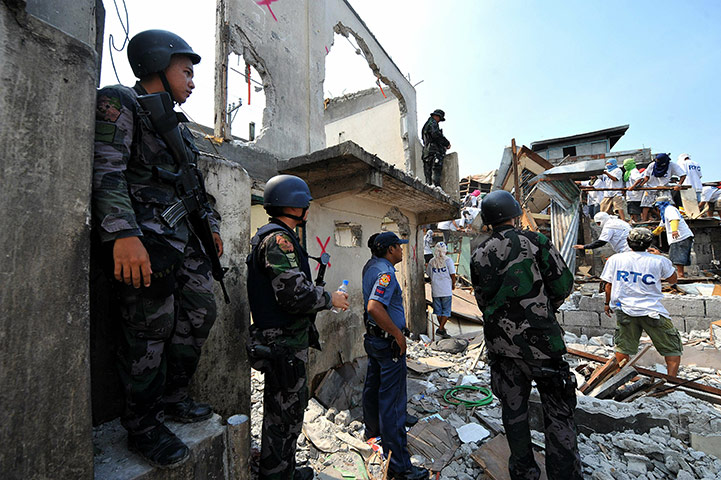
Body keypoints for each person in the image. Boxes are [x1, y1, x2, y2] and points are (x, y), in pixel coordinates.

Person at [93, 29, 224, 467]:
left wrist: (214, 226)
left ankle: (173, 395)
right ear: (156, 63)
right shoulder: (120, 102)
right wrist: (122, 234)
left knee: (202, 309)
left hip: (184, 240)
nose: (192, 80)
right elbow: (108, 169)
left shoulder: (181, 131)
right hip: (144, 240)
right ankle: (143, 425)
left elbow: (198, 190)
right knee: (149, 328)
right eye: (185, 71)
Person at [470, 190, 582, 480]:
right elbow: (563, 284)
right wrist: (543, 308)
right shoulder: (536, 241)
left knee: (514, 413)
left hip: (502, 346)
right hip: (543, 343)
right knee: (558, 412)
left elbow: (483, 300)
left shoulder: (479, 252)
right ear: (516, 213)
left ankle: (524, 473)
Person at [247, 174, 349, 480]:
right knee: (283, 415)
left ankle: (282, 470)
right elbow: (294, 296)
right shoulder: (278, 240)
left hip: (285, 342)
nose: (308, 209)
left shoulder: (280, 237)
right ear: (295, 206)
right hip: (283, 344)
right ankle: (276, 474)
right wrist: (331, 298)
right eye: (305, 204)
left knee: (288, 411)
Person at [362, 232, 429, 480]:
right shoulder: (386, 272)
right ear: (390, 249)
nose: (402, 251)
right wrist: (397, 336)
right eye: (399, 247)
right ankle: (400, 467)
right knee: (393, 402)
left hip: (375, 339)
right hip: (387, 342)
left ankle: (373, 432)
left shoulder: (371, 266)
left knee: (373, 386)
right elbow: (374, 307)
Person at [600, 227, 682, 376]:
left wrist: (607, 303)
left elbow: (608, 285)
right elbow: (673, 280)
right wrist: (661, 256)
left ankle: (622, 377)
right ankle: (671, 381)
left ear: (628, 242)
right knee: (672, 348)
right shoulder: (659, 260)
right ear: (649, 244)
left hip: (625, 310)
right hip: (653, 311)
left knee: (623, 347)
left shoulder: (615, 259)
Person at [630, 153, 686, 221]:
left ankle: (675, 219)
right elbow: (646, 177)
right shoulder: (652, 165)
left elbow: (683, 175)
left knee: (669, 204)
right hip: (651, 187)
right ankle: (644, 222)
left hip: (664, 188)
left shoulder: (672, 165)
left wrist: (679, 185)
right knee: (646, 205)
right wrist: (640, 185)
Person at [653, 195, 694, 279]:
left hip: (680, 237)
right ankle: (680, 275)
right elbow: (661, 227)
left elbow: (674, 219)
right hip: (680, 237)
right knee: (676, 257)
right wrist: (652, 234)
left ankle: (680, 276)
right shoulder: (665, 212)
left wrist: (674, 230)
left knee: (678, 258)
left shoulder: (670, 209)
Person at [426, 242, 456, 339]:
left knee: (438, 311)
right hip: (446, 289)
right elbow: (452, 275)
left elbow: (429, 274)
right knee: (446, 311)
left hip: (436, 289)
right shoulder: (448, 261)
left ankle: (442, 330)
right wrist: (453, 284)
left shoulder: (431, 261)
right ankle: (441, 329)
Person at [421, 109, 451, 186]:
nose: (439, 121)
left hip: (426, 151)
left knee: (428, 171)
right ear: (436, 116)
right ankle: (436, 187)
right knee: (436, 168)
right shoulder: (433, 123)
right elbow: (436, 134)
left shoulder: (426, 125)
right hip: (433, 151)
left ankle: (429, 186)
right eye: (439, 119)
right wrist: (446, 143)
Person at [623, 158, 644, 222]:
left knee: (634, 211)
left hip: (635, 196)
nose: (625, 167)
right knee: (632, 211)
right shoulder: (627, 172)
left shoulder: (633, 171)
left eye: (626, 165)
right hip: (631, 195)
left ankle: (637, 222)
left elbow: (639, 179)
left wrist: (632, 186)